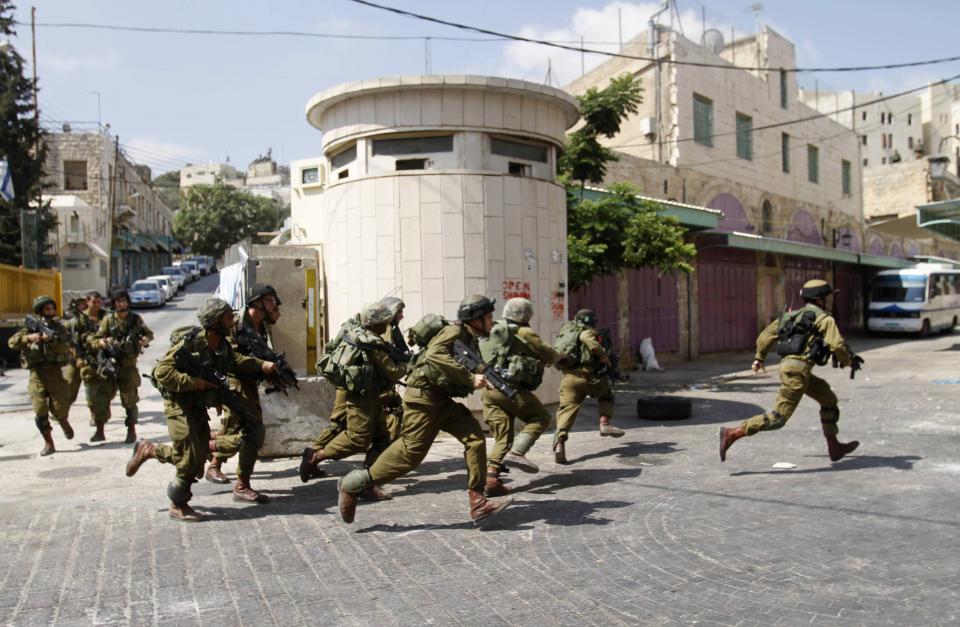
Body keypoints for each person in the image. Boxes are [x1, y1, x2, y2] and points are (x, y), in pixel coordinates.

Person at [335, 295, 513, 524]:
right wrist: (470, 378)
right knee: (409, 456)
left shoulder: (469, 339)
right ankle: (352, 484)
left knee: (475, 438)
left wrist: (492, 378)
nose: (492, 322)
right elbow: (434, 355)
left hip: (442, 401)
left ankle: (478, 502)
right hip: (423, 401)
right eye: (488, 317)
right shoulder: (453, 332)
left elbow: (471, 363)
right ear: (475, 319)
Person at [124, 297, 278, 522]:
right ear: (214, 322)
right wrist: (196, 383)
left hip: (197, 404)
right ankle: (178, 504)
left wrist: (259, 365)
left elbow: (233, 361)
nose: (231, 321)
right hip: (178, 404)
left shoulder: (220, 344)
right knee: (190, 459)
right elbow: (163, 372)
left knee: (196, 456)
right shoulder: (191, 343)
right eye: (227, 318)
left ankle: (148, 450)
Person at [719, 279, 860, 463]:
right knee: (778, 418)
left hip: (792, 368)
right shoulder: (824, 319)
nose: (827, 301)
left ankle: (834, 446)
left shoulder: (789, 317)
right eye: (826, 297)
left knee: (828, 399)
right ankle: (732, 434)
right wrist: (847, 360)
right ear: (820, 299)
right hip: (799, 371)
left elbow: (764, 337)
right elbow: (836, 344)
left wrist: (759, 358)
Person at [300, 302, 407, 501]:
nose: (387, 323)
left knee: (383, 440)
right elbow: (394, 371)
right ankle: (315, 456)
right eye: (384, 320)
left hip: (373, 398)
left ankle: (366, 482)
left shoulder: (359, 333)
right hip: (362, 399)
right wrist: (409, 363)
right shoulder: (371, 342)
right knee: (357, 439)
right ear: (377, 323)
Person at [203, 284, 282, 503]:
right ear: (257, 302)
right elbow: (230, 359)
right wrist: (260, 365)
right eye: (270, 300)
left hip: (247, 384)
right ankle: (238, 482)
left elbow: (259, 353)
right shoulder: (234, 326)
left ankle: (214, 460)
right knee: (250, 432)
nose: (274, 304)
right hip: (232, 384)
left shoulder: (260, 327)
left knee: (241, 430)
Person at [479, 297, 566, 496]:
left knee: (503, 433)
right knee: (541, 417)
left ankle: (491, 479)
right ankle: (517, 452)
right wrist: (561, 354)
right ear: (526, 314)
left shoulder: (493, 328)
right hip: (510, 389)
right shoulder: (523, 331)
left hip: (489, 389)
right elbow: (549, 354)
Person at [552, 309, 624, 464]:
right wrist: (603, 356)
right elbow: (587, 339)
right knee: (606, 395)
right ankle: (604, 423)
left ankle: (559, 444)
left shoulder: (567, 331)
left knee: (566, 411)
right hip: (590, 379)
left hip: (569, 380)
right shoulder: (587, 331)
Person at [8, 296, 74, 455]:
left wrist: (52, 341)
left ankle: (63, 421)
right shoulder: (30, 328)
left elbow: (65, 346)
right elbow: (12, 342)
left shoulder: (59, 328)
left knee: (60, 408)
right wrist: (28, 338)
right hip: (37, 374)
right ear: (40, 311)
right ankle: (49, 443)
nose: (50, 312)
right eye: (47, 309)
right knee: (40, 410)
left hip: (55, 373)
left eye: (52, 308)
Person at [89, 290, 154, 443]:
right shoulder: (107, 320)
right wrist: (101, 343)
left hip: (128, 366)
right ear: (113, 304)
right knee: (101, 399)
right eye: (118, 302)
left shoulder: (136, 319)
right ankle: (100, 430)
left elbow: (149, 334)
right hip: (110, 366)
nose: (121, 304)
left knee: (129, 400)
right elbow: (95, 339)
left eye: (123, 301)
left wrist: (145, 340)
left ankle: (131, 431)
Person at [75, 291, 108, 427]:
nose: (97, 305)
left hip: (105, 355)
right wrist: (78, 358)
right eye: (94, 302)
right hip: (88, 356)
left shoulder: (106, 315)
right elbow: (76, 341)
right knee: (89, 386)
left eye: (99, 302)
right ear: (87, 302)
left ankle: (105, 408)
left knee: (107, 386)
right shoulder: (81, 319)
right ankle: (93, 413)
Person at [62, 297, 88, 409]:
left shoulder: (95, 321)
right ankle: (62, 409)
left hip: (91, 358)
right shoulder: (71, 323)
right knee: (70, 383)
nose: (82, 307)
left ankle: (96, 412)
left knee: (94, 387)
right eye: (80, 305)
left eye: (84, 305)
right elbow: (61, 337)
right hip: (74, 359)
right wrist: (68, 348)